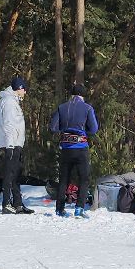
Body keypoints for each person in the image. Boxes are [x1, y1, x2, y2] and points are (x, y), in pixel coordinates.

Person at [50, 83, 98, 218]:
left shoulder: (62, 107)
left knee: (64, 179)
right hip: (81, 148)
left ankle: (59, 209)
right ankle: (79, 209)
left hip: (66, 148)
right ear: (83, 95)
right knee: (84, 179)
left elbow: (53, 127)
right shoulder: (88, 108)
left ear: (72, 94)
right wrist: (82, 133)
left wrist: (65, 132)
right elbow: (94, 129)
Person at [0, 77, 33, 213]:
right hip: (12, 144)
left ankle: (17, 203)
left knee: (16, 174)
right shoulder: (9, 102)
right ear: (19, 88)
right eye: (25, 89)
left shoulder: (12, 101)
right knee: (10, 174)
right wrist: (10, 145)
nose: (25, 92)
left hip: (16, 143)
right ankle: (6, 203)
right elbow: (9, 125)